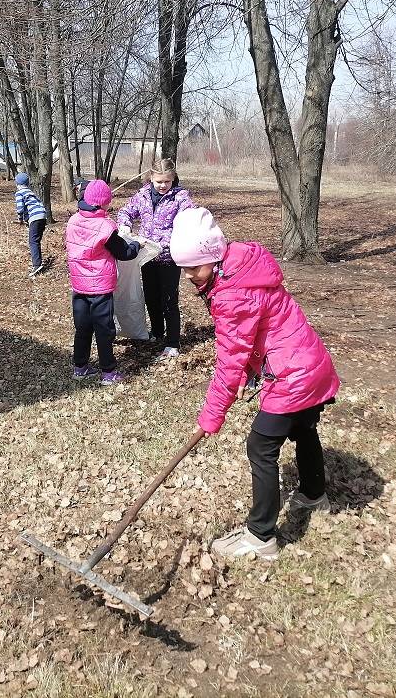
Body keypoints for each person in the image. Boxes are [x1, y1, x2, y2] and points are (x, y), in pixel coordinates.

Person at [169, 207, 340, 561]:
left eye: (192, 267)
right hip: (310, 363)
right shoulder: (242, 267)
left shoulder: (233, 293)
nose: (187, 276)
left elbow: (229, 359)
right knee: (304, 428)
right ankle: (313, 493)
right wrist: (251, 370)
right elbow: (254, 335)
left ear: (213, 258)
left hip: (292, 375)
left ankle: (260, 536)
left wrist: (212, 415)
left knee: (260, 447)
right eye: (183, 268)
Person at [65, 179, 142, 385]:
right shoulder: (105, 226)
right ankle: (108, 372)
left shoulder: (73, 220)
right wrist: (136, 244)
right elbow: (124, 252)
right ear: (103, 203)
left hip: (79, 285)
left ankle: (80, 367)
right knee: (104, 329)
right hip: (99, 287)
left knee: (82, 327)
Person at [116, 159, 195, 358]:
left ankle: (173, 342)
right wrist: (125, 225)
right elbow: (125, 211)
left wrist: (173, 239)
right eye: (158, 181)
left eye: (166, 182)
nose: (162, 186)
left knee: (169, 299)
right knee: (151, 297)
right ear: (151, 177)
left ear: (173, 179)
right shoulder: (142, 195)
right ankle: (158, 333)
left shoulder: (180, 196)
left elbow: (189, 219)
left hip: (169, 256)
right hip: (146, 255)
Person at [14, 172, 47, 278]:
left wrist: (20, 219)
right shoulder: (30, 192)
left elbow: (20, 208)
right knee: (36, 241)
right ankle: (38, 263)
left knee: (33, 242)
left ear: (17, 183)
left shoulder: (19, 193)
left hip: (35, 217)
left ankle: (36, 265)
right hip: (42, 216)